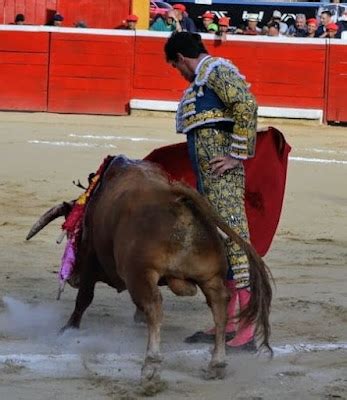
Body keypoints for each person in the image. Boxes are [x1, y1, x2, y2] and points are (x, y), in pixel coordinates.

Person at [164, 32, 258, 352]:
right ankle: (229, 321)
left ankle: (248, 326)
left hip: (223, 177)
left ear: (180, 57)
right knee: (221, 244)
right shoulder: (203, 79)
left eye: (176, 66)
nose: (179, 73)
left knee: (234, 241)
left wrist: (236, 155)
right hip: (208, 179)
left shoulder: (216, 69)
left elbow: (245, 103)